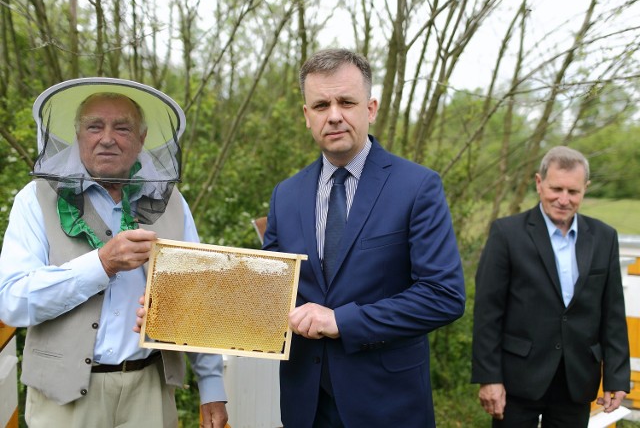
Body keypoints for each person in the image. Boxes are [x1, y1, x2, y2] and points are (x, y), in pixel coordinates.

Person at [0, 78, 228, 428]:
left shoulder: (172, 204)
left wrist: (211, 384)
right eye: (95, 126)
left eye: (122, 127)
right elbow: (12, 300)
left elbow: (196, 296)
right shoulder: (35, 199)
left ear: (142, 139)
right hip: (64, 401)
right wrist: (101, 264)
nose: (107, 138)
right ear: (78, 136)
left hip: (149, 391)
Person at [262, 48, 466, 427]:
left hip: (387, 405)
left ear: (370, 108)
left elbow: (444, 296)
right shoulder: (285, 195)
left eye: (346, 102)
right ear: (307, 116)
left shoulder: (417, 187)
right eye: (321, 105)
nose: (334, 115)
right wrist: (179, 308)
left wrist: (342, 321)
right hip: (305, 405)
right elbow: (270, 293)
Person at [471, 146, 630, 427]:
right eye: (556, 189)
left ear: (585, 189)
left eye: (573, 192)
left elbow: (613, 313)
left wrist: (616, 377)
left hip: (577, 379)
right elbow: (488, 312)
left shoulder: (605, 237)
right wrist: (489, 377)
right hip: (518, 378)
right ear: (539, 183)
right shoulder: (507, 234)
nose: (564, 199)